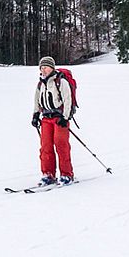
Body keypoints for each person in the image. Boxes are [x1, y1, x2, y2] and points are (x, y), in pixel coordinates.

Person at [31, 56, 75, 187]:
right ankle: (48, 174)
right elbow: (37, 101)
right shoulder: (41, 84)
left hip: (59, 118)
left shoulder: (60, 81)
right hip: (45, 118)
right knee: (46, 147)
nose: (43, 70)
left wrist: (65, 117)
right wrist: (35, 115)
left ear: (52, 67)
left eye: (45, 67)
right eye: (41, 68)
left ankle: (67, 174)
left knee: (61, 146)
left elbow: (68, 100)